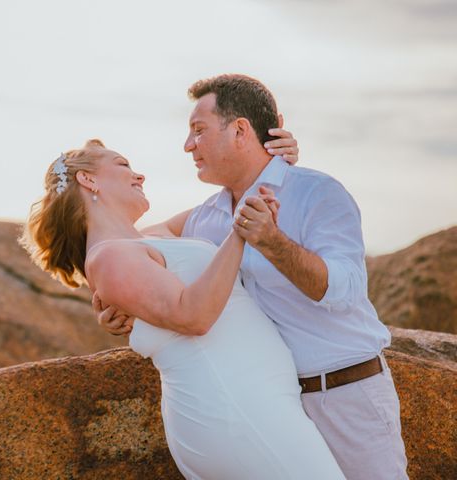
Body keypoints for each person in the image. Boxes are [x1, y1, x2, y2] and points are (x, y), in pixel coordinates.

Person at [95, 74, 408, 480]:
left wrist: (272, 241)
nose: (188, 145)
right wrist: (109, 299)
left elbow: (343, 290)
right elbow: (125, 249)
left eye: (198, 131)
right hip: (272, 409)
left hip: (345, 397)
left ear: (240, 130)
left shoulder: (317, 193)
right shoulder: (206, 218)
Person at [20, 139, 345, 479]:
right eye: (123, 164)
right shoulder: (107, 257)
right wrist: (240, 235)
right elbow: (193, 316)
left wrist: (271, 162)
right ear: (88, 180)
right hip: (231, 407)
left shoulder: (148, 239)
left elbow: (233, 204)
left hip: (255, 401)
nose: (139, 175)